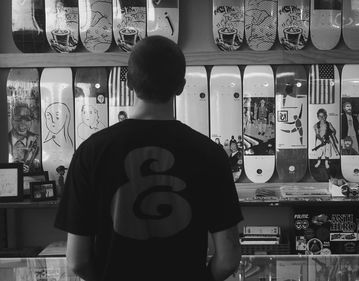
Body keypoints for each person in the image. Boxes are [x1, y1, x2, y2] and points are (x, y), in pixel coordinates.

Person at [55, 36, 243, 281]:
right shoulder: (210, 154)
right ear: (181, 86)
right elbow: (228, 258)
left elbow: (78, 261)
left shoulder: (91, 152)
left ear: (129, 82)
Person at [8, 103, 42, 174]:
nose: (22, 123)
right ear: (12, 120)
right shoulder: (4, 141)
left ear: (31, 121)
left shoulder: (37, 140)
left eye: (27, 119)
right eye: (18, 118)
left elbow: (39, 166)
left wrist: (30, 169)